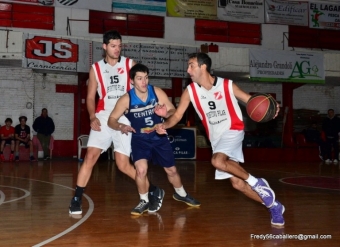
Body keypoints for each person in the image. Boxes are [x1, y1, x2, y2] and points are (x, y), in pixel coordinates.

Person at [155, 53, 285, 226]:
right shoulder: (191, 91)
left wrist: (271, 106)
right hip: (216, 139)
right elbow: (177, 115)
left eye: (191, 65)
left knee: (217, 161)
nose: (188, 70)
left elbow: (251, 101)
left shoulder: (227, 85)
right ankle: (274, 205)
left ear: (203, 67)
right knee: (238, 184)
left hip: (234, 130)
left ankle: (257, 182)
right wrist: (165, 124)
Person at [68, 30, 164, 215]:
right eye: (113, 46)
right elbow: (90, 97)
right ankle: (76, 199)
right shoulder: (96, 68)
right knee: (90, 157)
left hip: (125, 117)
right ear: (104, 47)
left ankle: (152, 189)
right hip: (103, 116)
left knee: (122, 165)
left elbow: (142, 89)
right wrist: (92, 116)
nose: (117, 49)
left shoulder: (130, 64)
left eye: (119, 46)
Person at [108, 63, 200, 215]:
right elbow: (111, 120)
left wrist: (165, 114)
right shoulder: (126, 99)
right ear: (132, 81)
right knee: (141, 171)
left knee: (171, 170)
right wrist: (120, 126)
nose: (144, 82)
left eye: (146, 78)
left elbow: (173, 111)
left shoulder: (156, 92)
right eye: (139, 79)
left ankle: (181, 193)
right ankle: (144, 200)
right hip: (139, 139)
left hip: (158, 136)